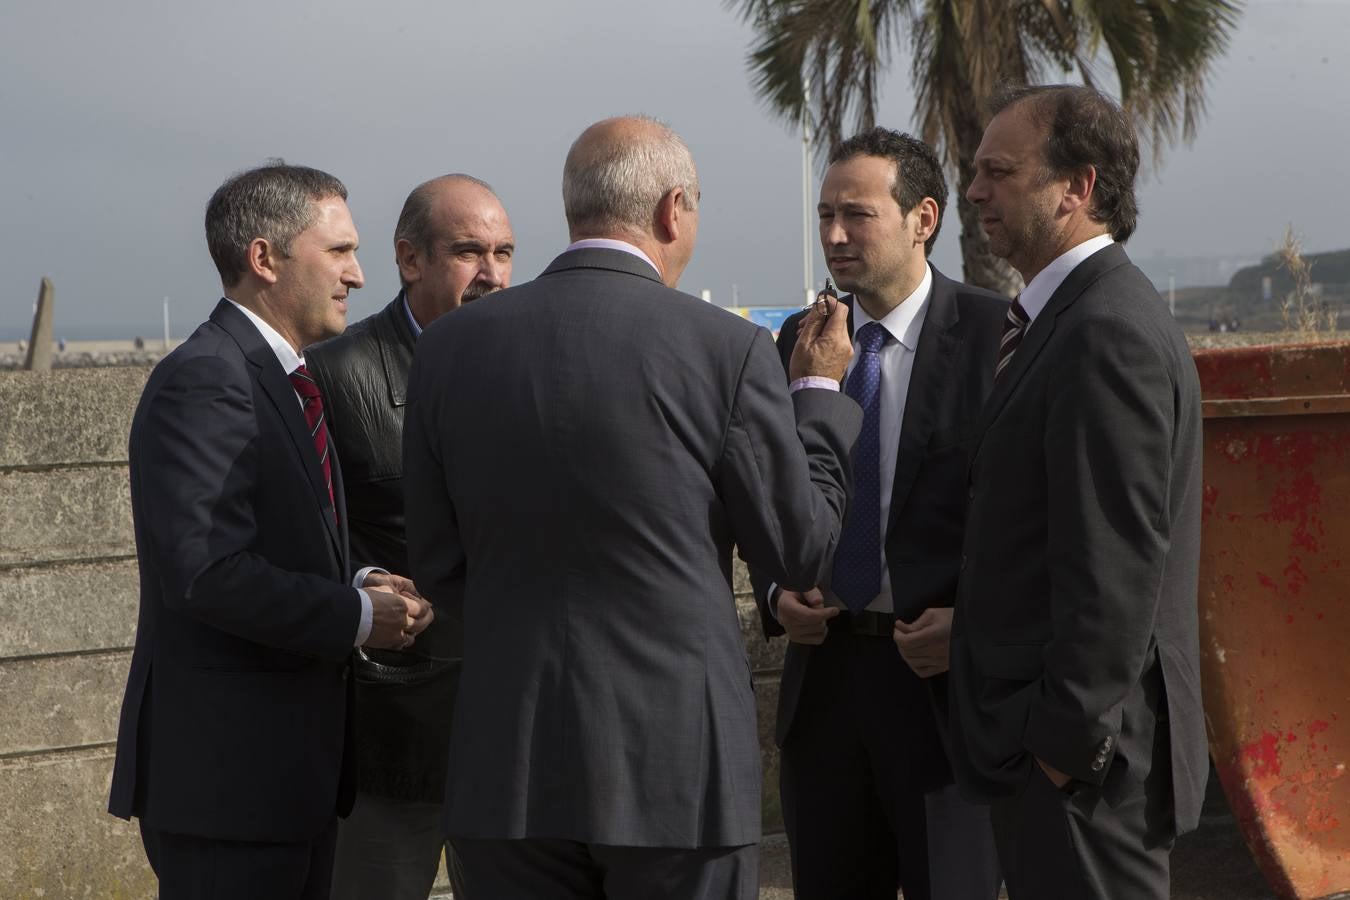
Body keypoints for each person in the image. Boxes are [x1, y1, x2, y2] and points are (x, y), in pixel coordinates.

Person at [401, 115, 861, 899]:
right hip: (677, 770)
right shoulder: (728, 348)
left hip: (505, 762)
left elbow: (438, 570)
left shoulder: (448, 348)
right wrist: (816, 394)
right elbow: (799, 551)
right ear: (672, 208)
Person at [107, 162, 432, 900]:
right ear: (264, 258)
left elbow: (276, 537)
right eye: (340, 251)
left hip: (287, 781)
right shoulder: (208, 378)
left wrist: (359, 579)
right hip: (233, 785)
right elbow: (206, 572)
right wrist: (357, 617)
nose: (357, 274)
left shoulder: (280, 376)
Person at [949, 84, 1206, 899]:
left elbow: (1115, 572)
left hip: (1087, 772)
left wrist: (1063, 751)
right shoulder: (1065, 321)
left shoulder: (1105, 333)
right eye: (975, 171)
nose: (976, 191)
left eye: (999, 171)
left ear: (1078, 187)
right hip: (1067, 762)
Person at [748, 127, 1005, 900]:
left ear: (923, 219)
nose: (833, 235)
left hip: (943, 692)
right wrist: (772, 593)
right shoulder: (795, 340)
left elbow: (1034, 519)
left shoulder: (997, 336)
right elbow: (763, 493)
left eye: (856, 214)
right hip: (823, 690)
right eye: (825, 213)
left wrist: (976, 625)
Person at [307, 173, 514, 900]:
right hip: (394, 733)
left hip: (516, 725)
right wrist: (368, 584)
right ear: (409, 258)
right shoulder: (334, 373)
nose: (491, 273)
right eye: (468, 252)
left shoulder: (531, 366)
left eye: (504, 252)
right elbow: (305, 539)